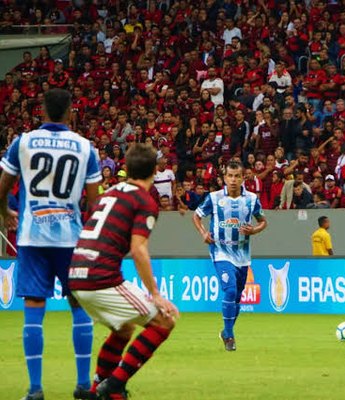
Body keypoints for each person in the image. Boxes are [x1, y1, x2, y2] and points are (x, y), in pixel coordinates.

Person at [0, 88, 101, 400]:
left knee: (33, 306)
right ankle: (83, 385)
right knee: (78, 305)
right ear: (71, 112)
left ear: (42, 111)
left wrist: (5, 212)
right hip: (71, 238)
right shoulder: (86, 148)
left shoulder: (23, 142)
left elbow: (2, 186)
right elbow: (95, 203)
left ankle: (35, 389)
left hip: (32, 236)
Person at [68, 144, 178, 399]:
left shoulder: (109, 193)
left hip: (76, 274)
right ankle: (113, 384)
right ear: (154, 171)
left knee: (124, 328)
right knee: (165, 321)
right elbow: (138, 249)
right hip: (100, 278)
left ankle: (97, 391)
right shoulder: (144, 200)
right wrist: (155, 294)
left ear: (126, 168)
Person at [192, 160, 267, 351]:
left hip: (242, 253)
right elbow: (196, 215)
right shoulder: (214, 198)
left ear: (243, 178)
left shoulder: (251, 199)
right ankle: (230, 336)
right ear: (224, 178)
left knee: (237, 298)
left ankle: (226, 331)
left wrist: (255, 230)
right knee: (231, 290)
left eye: (237, 176)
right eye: (230, 176)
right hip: (220, 251)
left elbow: (263, 221)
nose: (233, 180)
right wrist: (203, 233)